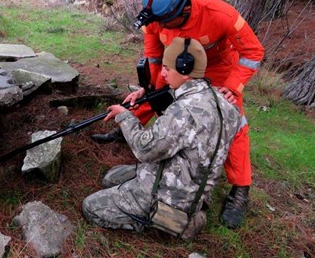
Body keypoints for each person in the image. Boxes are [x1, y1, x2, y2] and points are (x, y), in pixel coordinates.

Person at [91, 0, 265, 229]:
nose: (159, 27)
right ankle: (129, 131)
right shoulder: (155, 18)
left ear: (183, 9)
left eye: (165, 22)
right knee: (155, 96)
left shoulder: (219, 14)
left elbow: (253, 51)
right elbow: (153, 57)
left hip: (218, 72)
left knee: (234, 124)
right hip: (173, 68)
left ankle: (240, 190)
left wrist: (233, 87)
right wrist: (147, 87)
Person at [82, 37, 242, 241]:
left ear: (185, 71)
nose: (163, 73)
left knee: (91, 207)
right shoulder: (225, 103)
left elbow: (144, 148)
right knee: (110, 178)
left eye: (167, 68)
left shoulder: (183, 112)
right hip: (191, 188)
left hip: (166, 196)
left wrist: (124, 116)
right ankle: (188, 213)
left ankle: (163, 222)